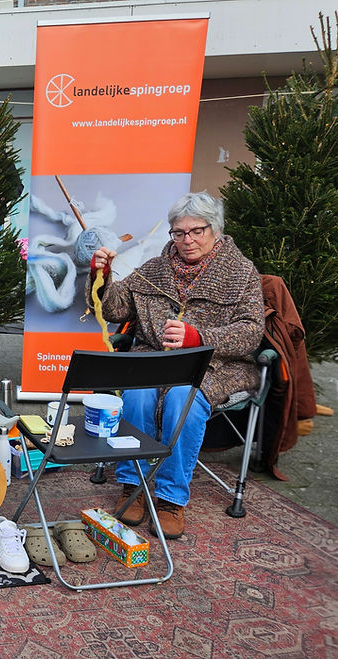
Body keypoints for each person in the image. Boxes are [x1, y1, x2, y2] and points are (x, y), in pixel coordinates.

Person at [89, 191, 264, 539]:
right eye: (179, 232)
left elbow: (251, 331)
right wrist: (101, 275)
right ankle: (133, 485)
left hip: (214, 365)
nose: (187, 240)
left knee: (183, 398)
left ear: (215, 229)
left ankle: (171, 499)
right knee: (137, 395)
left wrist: (199, 337)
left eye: (197, 231)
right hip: (154, 358)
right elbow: (114, 309)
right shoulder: (154, 269)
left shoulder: (241, 272)